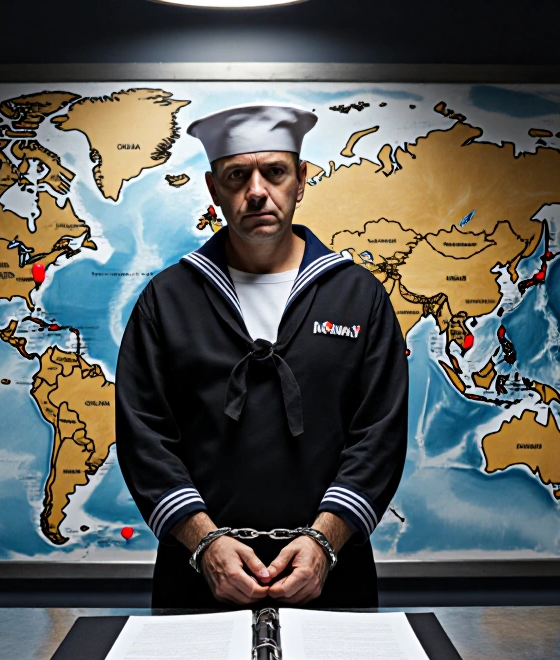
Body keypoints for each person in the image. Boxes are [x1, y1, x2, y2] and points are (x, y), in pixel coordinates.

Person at [115, 103, 408, 609]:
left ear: (300, 180)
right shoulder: (168, 300)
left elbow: (379, 435)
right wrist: (205, 544)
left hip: (334, 576)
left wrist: (324, 542)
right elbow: (144, 439)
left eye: (274, 172)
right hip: (197, 578)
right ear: (213, 188)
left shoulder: (357, 296)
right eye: (237, 176)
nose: (256, 191)